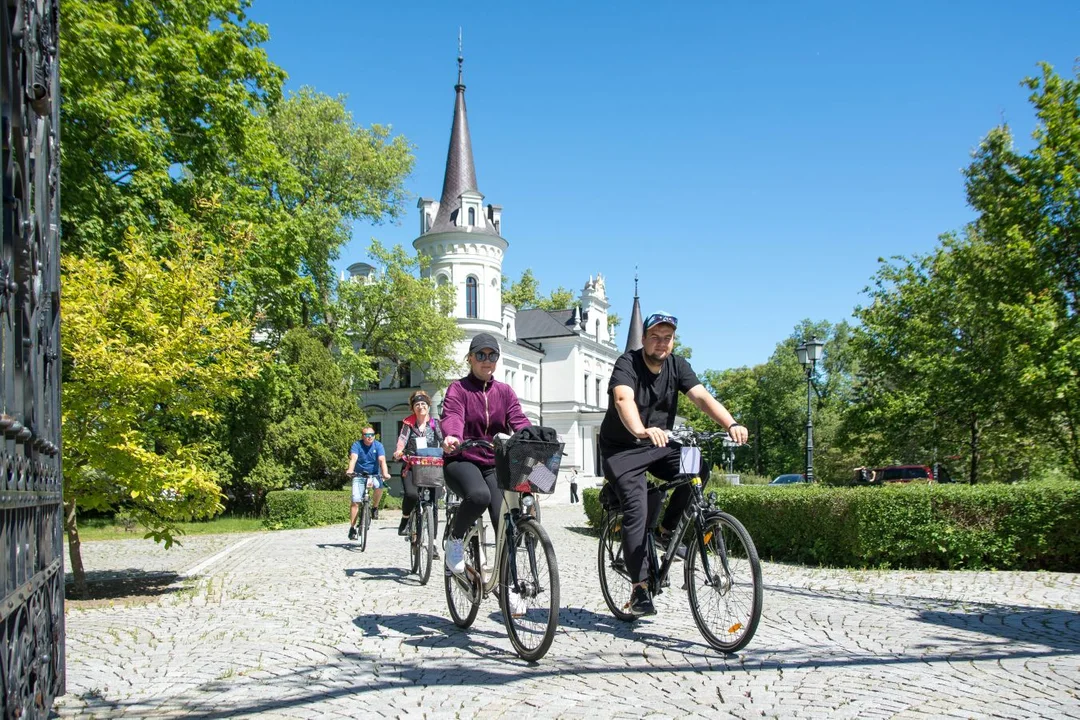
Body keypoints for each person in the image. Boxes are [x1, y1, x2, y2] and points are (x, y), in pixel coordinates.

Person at [598, 311, 749, 617]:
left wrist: (730, 423)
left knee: (698, 468)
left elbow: (702, 397)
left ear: (673, 341)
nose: (661, 343)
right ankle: (639, 588)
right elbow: (623, 400)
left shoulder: (678, 365)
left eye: (667, 338)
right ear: (644, 339)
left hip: (659, 444)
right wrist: (640, 429)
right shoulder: (627, 363)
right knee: (637, 508)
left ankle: (666, 531)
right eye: (655, 337)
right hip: (623, 449)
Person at [440, 333, 531, 577]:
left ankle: (510, 586)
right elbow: (453, 415)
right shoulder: (458, 389)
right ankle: (455, 539)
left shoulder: (505, 392)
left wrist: (533, 436)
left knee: (506, 522)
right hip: (461, 459)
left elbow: (518, 418)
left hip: (493, 463)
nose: (486, 360)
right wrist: (452, 436)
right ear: (470, 358)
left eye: (492, 355)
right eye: (481, 355)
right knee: (479, 496)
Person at [393, 390, 444, 554]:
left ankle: (433, 544)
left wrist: (448, 449)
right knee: (412, 495)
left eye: (423, 404)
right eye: (417, 405)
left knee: (434, 505)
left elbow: (442, 441)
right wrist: (399, 451)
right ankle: (406, 518)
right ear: (413, 408)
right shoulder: (409, 424)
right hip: (411, 465)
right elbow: (402, 440)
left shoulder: (435, 424)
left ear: (428, 407)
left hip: (431, 467)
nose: (420, 407)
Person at [345, 426, 391, 540]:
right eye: (367, 435)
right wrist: (350, 470)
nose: (369, 437)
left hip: (374, 474)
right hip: (359, 475)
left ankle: (375, 507)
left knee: (379, 485)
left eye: (372, 435)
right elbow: (353, 459)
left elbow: (382, 460)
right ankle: (352, 528)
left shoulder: (378, 445)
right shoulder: (357, 445)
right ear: (362, 436)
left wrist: (385, 473)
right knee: (355, 501)